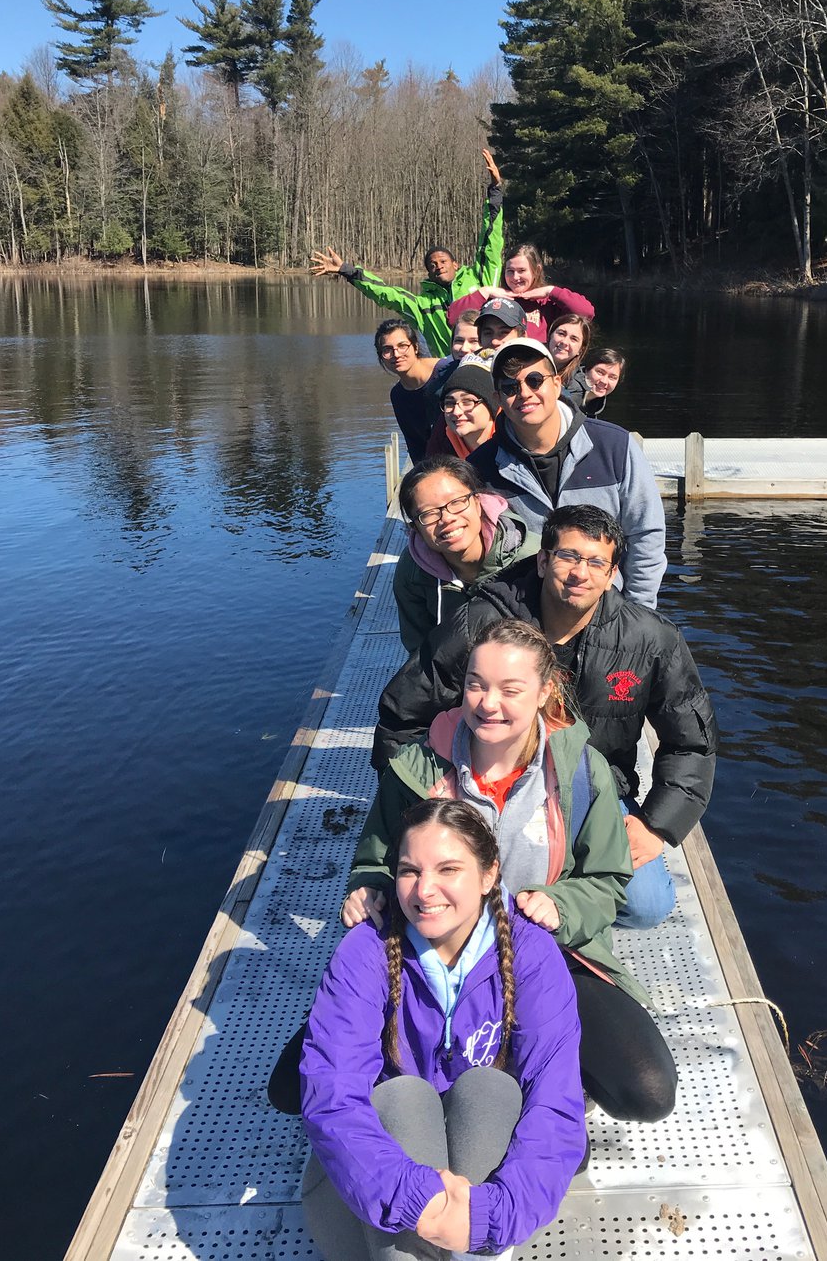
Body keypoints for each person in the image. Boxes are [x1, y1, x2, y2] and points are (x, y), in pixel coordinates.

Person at [345, 618, 678, 1126]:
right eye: (476, 684)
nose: (488, 703)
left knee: (647, 1092)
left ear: (545, 691)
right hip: (433, 956)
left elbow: (608, 881)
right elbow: (376, 859)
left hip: (547, 954)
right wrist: (368, 890)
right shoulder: (416, 769)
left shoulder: (582, 773)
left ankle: (541, 1074)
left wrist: (561, 905)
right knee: (295, 1084)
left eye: (511, 689)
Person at [373, 505, 718, 931]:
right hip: (486, 784)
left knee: (646, 906)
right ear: (542, 560)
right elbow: (404, 708)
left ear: (612, 574)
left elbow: (691, 742)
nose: (580, 573)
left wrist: (657, 826)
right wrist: (413, 799)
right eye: (568, 556)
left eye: (596, 562)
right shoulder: (484, 621)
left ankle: (560, 892)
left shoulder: (651, 640)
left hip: (594, 792)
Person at [300, 799, 586, 1261]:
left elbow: (556, 1101)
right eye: (410, 871)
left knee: (493, 1090)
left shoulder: (532, 954)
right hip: (374, 1182)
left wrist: (491, 1217)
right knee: (402, 1096)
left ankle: (477, 1250)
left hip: (479, 1157)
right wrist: (422, 1202)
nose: (424, 890)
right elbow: (332, 1092)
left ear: (489, 875)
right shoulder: (365, 951)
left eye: (448, 869)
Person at [467, 339, 667, 608]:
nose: (525, 393)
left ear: (557, 383)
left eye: (535, 380)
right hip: (523, 615)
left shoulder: (616, 446)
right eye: (510, 387)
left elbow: (646, 533)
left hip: (608, 608)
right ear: (498, 399)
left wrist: (638, 611)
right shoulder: (480, 468)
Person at [310, 150, 504, 357]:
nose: (438, 265)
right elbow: (385, 293)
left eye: (443, 261)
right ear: (428, 273)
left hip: (490, 366)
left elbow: (490, 240)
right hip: (451, 374)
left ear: (456, 264)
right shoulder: (423, 307)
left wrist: (495, 191)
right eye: (432, 264)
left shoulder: (481, 279)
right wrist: (346, 270)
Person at [393, 458, 539, 655]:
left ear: (478, 502)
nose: (447, 518)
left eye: (456, 502)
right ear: (415, 528)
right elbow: (419, 648)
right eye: (428, 513)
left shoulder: (533, 557)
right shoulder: (412, 571)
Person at [450, 244, 594, 344]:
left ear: (536, 270)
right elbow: (453, 318)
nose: (515, 277)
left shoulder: (548, 304)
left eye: (522, 271)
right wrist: (484, 291)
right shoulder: (493, 302)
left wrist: (550, 291)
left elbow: (586, 313)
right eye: (510, 271)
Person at [376, 319, 442, 465]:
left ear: (416, 347)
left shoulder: (444, 372)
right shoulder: (398, 395)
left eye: (402, 346)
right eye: (387, 349)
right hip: (435, 468)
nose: (396, 354)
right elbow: (415, 445)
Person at [424, 364, 498, 460]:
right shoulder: (441, 443)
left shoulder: (512, 439)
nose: (456, 412)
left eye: (467, 402)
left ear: (490, 404)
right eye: (450, 403)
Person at [547, 313, 593, 411]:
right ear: (550, 335)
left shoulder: (576, 388)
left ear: (581, 349)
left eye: (574, 339)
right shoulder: (526, 359)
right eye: (561, 334)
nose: (564, 342)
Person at [579, 346, 625, 419]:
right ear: (587, 370)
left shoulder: (595, 405)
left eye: (612, 377)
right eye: (600, 372)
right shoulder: (568, 393)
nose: (604, 381)